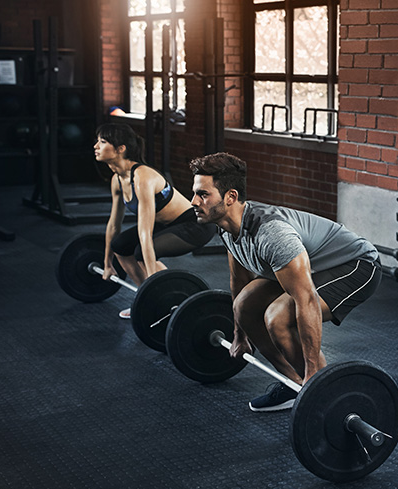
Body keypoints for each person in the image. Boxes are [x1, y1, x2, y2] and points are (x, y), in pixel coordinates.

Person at [189, 152, 381, 412]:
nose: (193, 201)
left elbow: (306, 299)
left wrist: (313, 369)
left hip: (355, 265)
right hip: (313, 267)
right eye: (195, 193)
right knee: (244, 306)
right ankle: (294, 384)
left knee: (277, 318)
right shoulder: (226, 227)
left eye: (203, 194)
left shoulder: (272, 234)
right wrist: (240, 335)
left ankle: (325, 395)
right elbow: (239, 280)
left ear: (230, 197)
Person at [94, 123, 217, 319]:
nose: (96, 146)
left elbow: (145, 231)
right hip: (169, 224)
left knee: (141, 253)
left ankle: (177, 300)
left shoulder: (142, 177)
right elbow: (114, 225)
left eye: (102, 141)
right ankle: (146, 300)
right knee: (121, 246)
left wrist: (153, 279)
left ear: (120, 149)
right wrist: (107, 263)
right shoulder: (117, 180)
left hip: (195, 225)